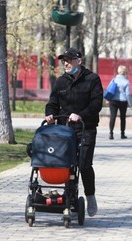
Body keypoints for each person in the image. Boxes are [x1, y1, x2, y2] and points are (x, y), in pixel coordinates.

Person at [45, 47, 103, 217]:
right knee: (66, 164)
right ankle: (69, 196)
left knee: (84, 164)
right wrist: (49, 114)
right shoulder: (61, 81)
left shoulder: (92, 79)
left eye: (69, 60)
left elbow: (96, 104)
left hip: (86, 128)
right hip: (65, 130)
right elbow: (53, 102)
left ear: (79, 61)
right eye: (64, 60)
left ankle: (90, 196)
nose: (66, 63)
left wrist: (80, 115)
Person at [106, 65, 132, 140]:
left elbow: (109, 89)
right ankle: (122, 134)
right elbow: (127, 94)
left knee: (112, 117)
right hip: (123, 101)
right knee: (123, 117)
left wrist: (107, 99)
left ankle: (111, 133)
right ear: (125, 72)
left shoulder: (114, 80)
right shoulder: (126, 81)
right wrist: (130, 104)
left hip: (113, 101)